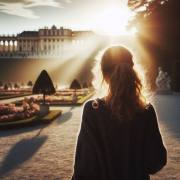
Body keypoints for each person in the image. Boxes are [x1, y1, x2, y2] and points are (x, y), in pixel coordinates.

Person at [72, 46, 167, 180]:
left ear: (104, 76)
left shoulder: (92, 110)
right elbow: (156, 162)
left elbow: (84, 168)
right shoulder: (146, 111)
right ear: (131, 71)